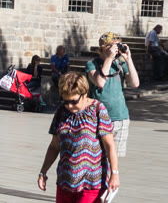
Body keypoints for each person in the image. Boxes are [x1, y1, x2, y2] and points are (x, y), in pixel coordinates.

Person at [38, 71, 119, 203]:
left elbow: (110, 145)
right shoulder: (61, 112)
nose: (69, 106)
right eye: (66, 101)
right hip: (64, 182)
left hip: (92, 184)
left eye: (74, 101)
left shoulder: (98, 110)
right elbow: (54, 146)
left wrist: (114, 174)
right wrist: (43, 172)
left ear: (84, 93)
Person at [87, 35, 137, 165]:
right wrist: (109, 58)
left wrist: (128, 59)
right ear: (103, 47)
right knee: (97, 158)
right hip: (98, 118)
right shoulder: (92, 64)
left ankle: (112, 177)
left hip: (120, 117)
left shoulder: (119, 63)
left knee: (113, 160)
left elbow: (135, 83)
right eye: (112, 45)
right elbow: (100, 82)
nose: (115, 48)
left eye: (117, 44)